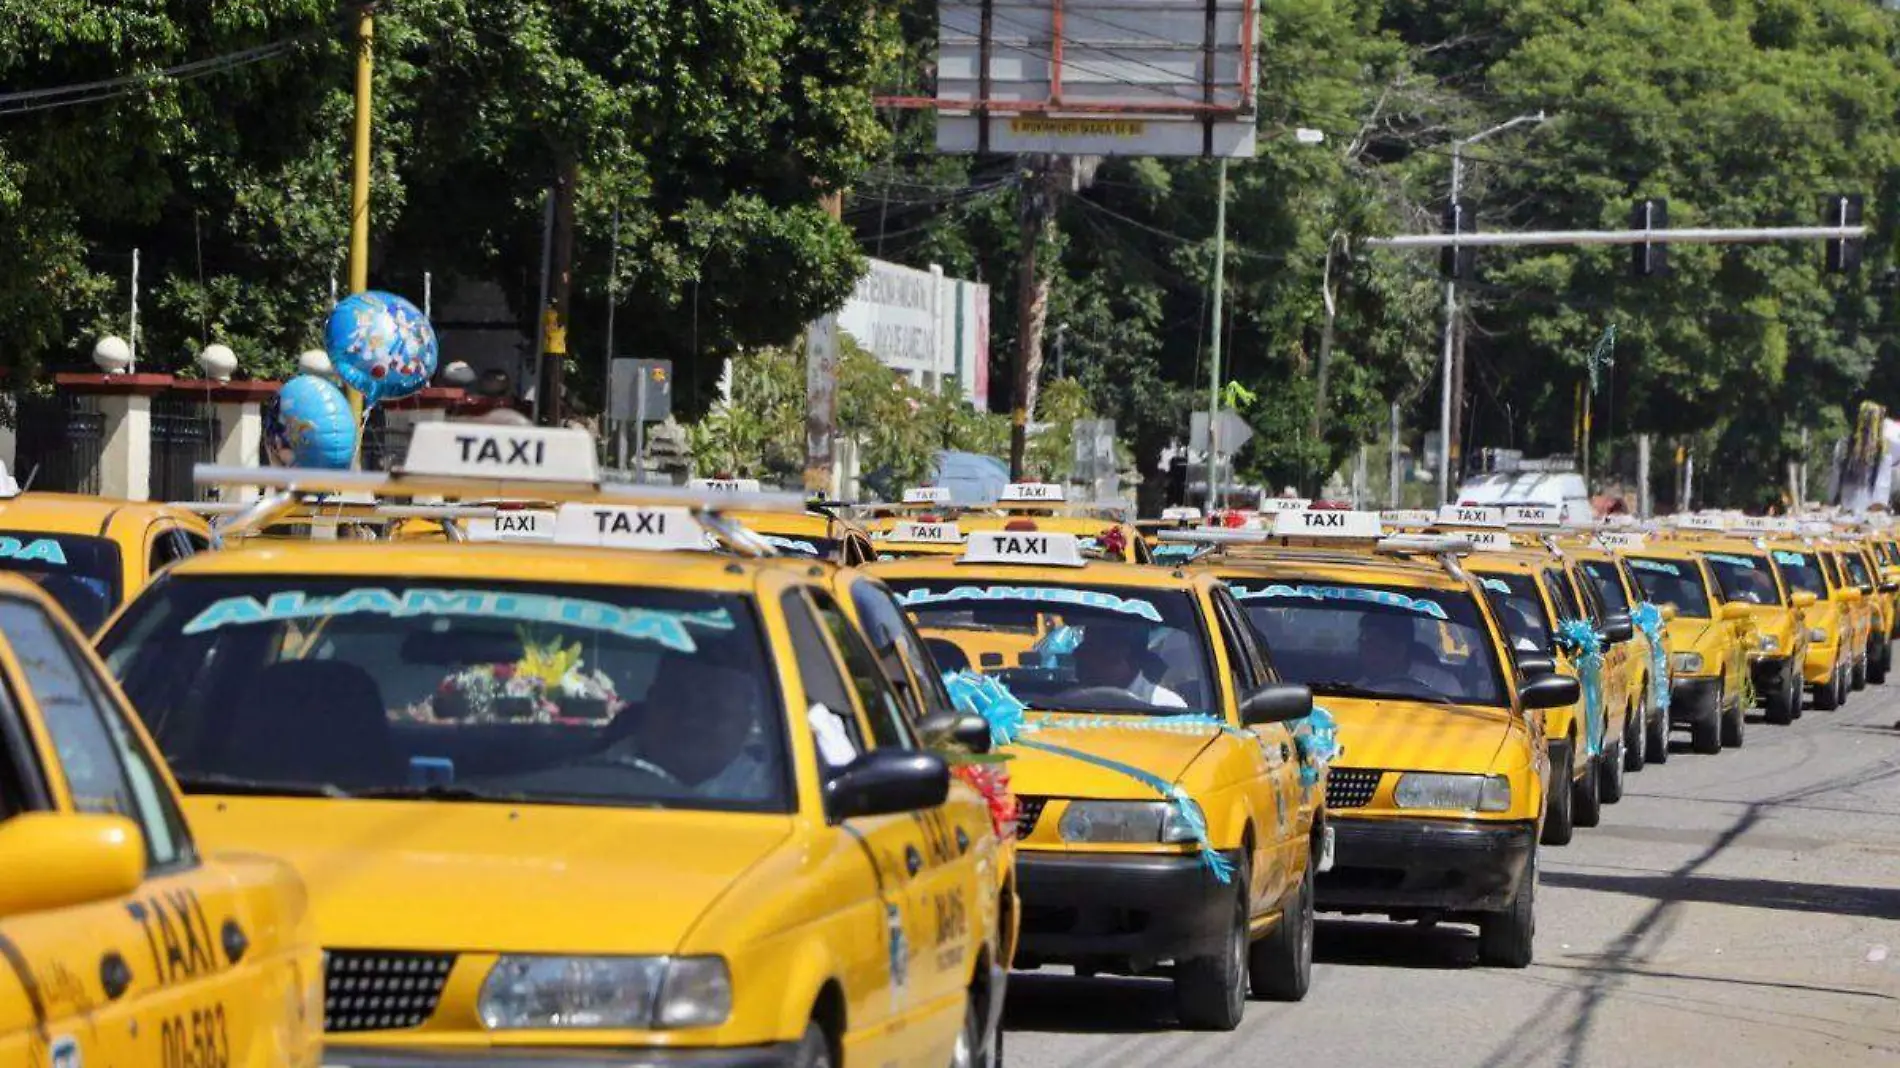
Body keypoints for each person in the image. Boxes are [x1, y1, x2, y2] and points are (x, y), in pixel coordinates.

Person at [603, 661, 776, 800]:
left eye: (713, 708)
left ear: (746, 722)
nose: (692, 720)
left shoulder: (771, 790)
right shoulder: (593, 778)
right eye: (679, 701)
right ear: (650, 704)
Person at [1071, 620, 1187, 708]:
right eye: (1084, 652)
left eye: (1094, 652)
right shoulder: (1068, 703)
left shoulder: (1166, 706)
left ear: (1122, 655)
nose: (1080, 658)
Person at [1356, 611, 1460, 696]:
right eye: (1362, 644)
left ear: (1399, 651)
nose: (1364, 653)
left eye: (1374, 645)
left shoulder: (1444, 685)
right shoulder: (1356, 692)